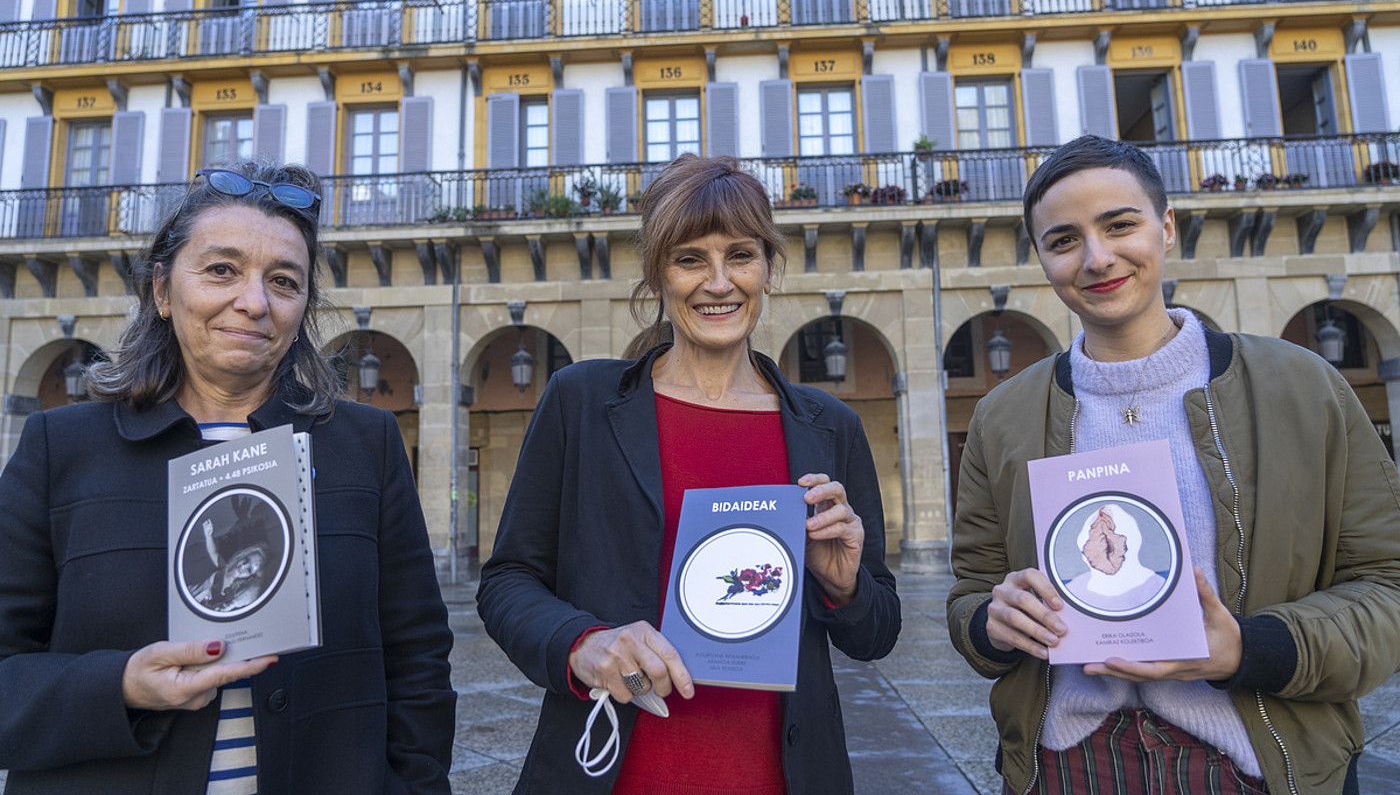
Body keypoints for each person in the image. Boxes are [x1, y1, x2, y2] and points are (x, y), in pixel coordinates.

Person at [947, 135, 1400, 795]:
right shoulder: (1003, 416)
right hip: (1071, 765)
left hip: (1257, 765)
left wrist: (1247, 648)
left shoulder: (1303, 387)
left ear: (1166, 227)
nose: (1098, 258)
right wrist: (994, 623)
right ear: (1041, 258)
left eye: (1119, 225)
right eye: (1064, 239)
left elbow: (1386, 583)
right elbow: (971, 592)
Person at [0, 163, 456, 793]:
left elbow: (419, 659)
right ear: (162, 290)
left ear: (303, 307)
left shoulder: (364, 446)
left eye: (284, 281)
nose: (254, 301)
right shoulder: (62, 448)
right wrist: (122, 685)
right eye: (221, 270)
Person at [477, 154, 901, 794]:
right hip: (615, 772)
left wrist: (843, 586)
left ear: (767, 266)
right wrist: (583, 645)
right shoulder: (582, 403)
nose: (719, 282)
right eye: (690, 259)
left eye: (740, 255)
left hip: (776, 775)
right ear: (658, 274)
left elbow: (877, 631)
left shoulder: (827, 426)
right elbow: (508, 581)